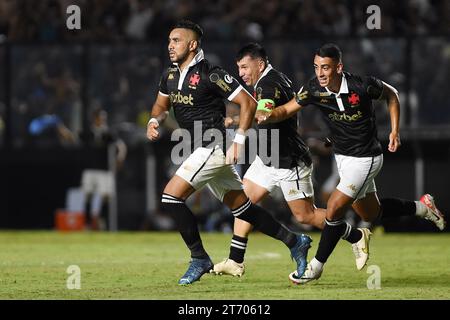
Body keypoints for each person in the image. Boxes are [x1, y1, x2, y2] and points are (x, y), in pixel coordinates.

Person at [256, 43, 446, 284]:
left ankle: (315, 268)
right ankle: (423, 208)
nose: (320, 73)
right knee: (371, 212)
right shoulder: (314, 88)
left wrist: (395, 131)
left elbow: (392, 95)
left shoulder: (361, 85)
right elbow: (287, 109)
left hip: (366, 158)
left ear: (339, 67)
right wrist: (269, 114)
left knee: (334, 208)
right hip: (343, 158)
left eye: (325, 67)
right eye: (316, 67)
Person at [146, 20, 312, 285]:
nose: (170, 46)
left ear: (193, 44)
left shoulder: (212, 74)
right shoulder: (170, 75)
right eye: (169, 41)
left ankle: (199, 257)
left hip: (211, 146)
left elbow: (247, 102)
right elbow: (160, 105)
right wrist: (154, 120)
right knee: (243, 209)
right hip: (194, 148)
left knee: (171, 198)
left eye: (176, 40)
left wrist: (240, 141)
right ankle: (295, 241)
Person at [213, 43, 369, 277]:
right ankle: (235, 260)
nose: (241, 73)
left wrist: (236, 121)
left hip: (289, 161)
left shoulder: (269, 84)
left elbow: (264, 113)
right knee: (243, 204)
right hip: (268, 158)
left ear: (260, 64)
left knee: (305, 216)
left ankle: (356, 235)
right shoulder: (271, 79)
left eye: (245, 67)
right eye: (239, 68)